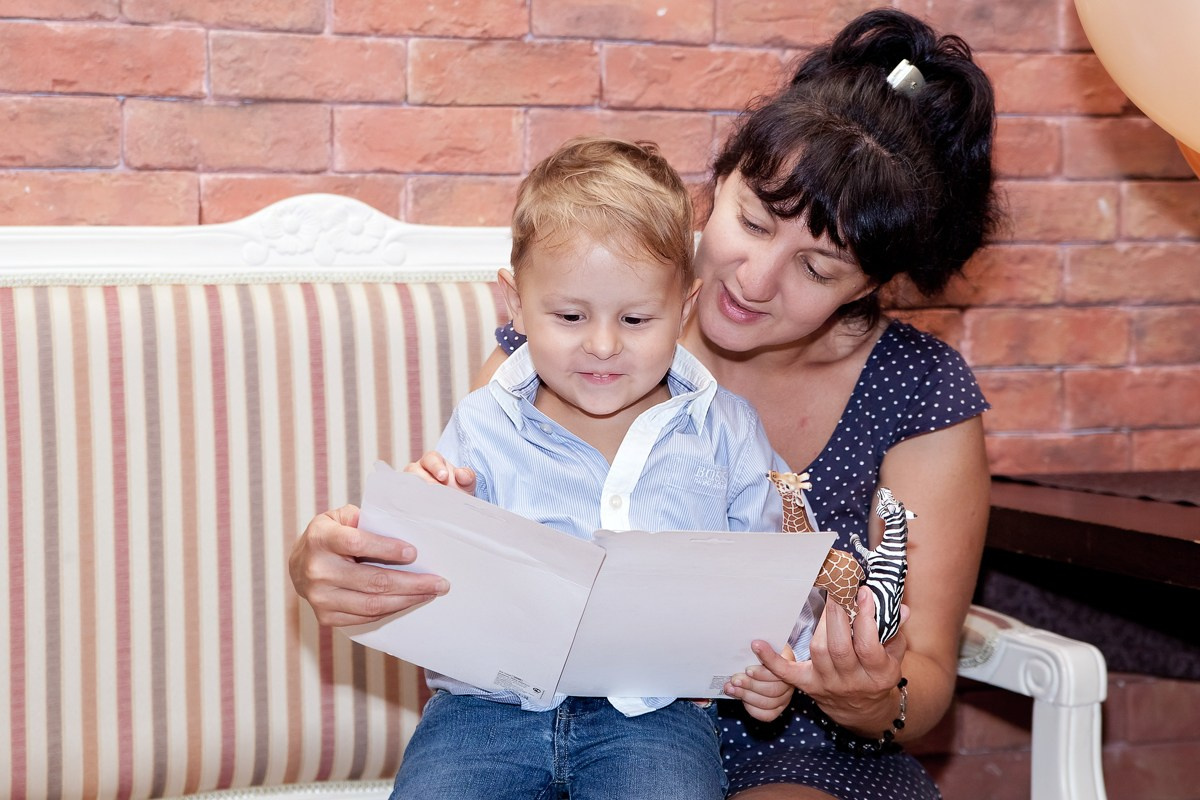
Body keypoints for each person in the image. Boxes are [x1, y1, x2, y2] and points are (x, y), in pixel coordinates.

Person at [289, 8, 999, 799]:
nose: (754, 279)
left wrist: (868, 696)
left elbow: (926, 675)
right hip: (545, 721)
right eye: (752, 221)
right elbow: (459, 531)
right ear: (717, 185)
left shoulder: (917, 390)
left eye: (817, 268)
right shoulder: (571, 343)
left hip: (800, 744)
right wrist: (342, 561)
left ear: (870, 284)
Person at [378, 135, 802, 800]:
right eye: (571, 315)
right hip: (485, 711)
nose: (602, 345)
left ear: (684, 309)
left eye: (636, 318)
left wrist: (777, 665)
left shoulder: (726, 433)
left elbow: (776, 578)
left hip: (655, 717)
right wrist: (426, 517)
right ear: (515, 302)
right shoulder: (482, 425)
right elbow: (428, 580)